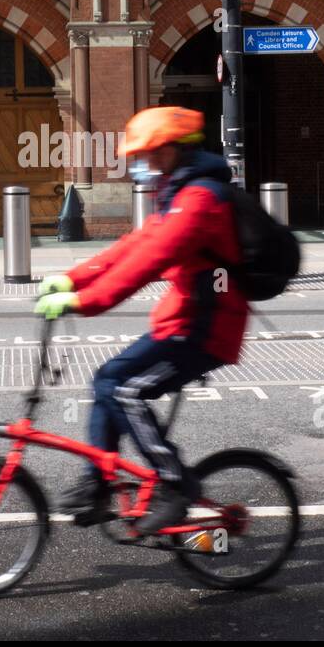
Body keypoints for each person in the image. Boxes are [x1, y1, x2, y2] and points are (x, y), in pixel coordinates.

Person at [33, 106, 248, 535]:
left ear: (173, 150)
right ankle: (97, 482)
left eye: (149, 154)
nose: (143, 165)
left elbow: (148, 263)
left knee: (128, 392)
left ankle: (175, 483)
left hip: (206, 330)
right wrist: (70, 278)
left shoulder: (200, 200)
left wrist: (81, 302)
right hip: (182, 322)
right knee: (106, 380)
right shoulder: (177, 194)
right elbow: (133, 246)